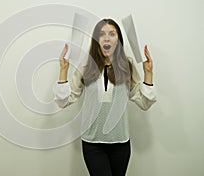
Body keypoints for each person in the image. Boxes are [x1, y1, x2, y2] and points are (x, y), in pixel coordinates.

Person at [53, 18, 157, 176]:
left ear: (118, 40)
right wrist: (63, 70)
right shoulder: (86, 66)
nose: (107, 38)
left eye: (112, 34)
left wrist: (148, 73)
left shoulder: (127, 65)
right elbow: (65, 100)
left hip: (121, 143)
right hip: (93, 143)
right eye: (102, 34)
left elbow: (144, 102)